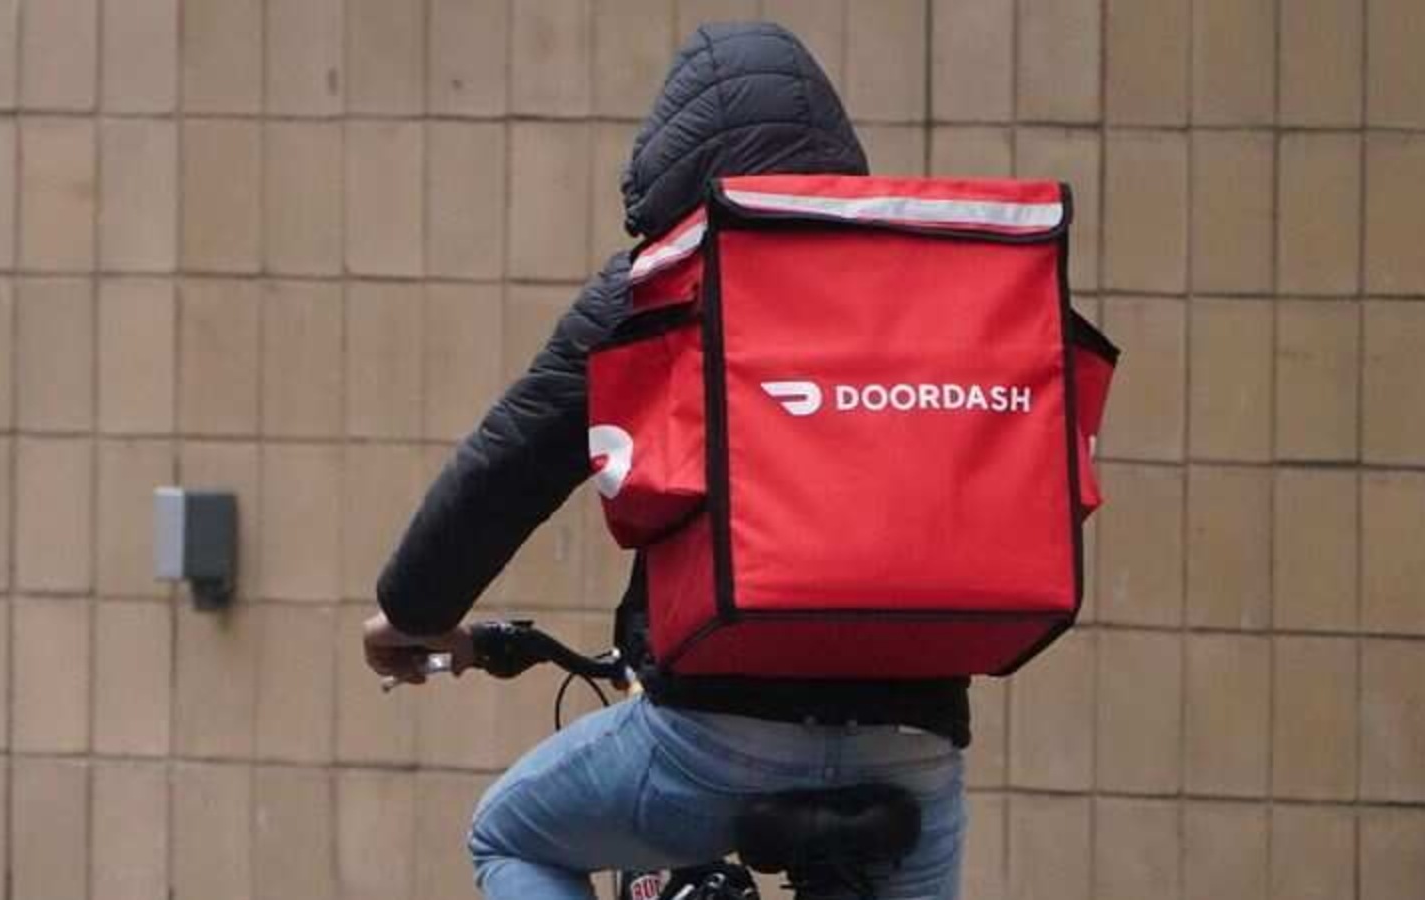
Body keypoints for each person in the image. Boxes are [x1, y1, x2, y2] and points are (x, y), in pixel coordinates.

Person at [363, 22, 970, 900]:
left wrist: (412, 610)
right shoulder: (929, 286)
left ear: (673, 162)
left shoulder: (654, 288)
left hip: (720, 734)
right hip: (915, 743)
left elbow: (506, 469)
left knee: (510, 836)